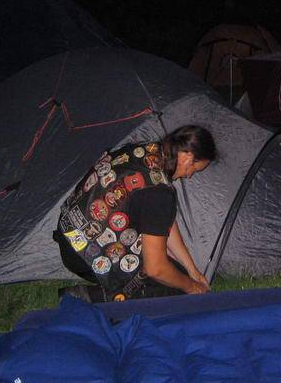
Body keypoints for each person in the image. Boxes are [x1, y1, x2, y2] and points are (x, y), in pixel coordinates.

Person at [54, 125, 217, 303]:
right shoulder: (159, 192)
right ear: (187, 158)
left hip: (67, 234)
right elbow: (155, 268)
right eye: (195, 169)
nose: (189, 176)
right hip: (84, 255)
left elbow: (163, 223)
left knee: (179, 274)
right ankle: (87, 297)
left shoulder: (143, 151)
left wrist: (192, 271)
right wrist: (192, 287)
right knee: (175, 289)